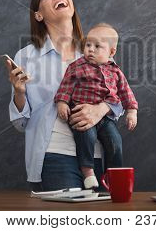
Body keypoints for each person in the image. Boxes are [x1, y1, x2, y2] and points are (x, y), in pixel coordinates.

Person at [5, 0, 123, 192]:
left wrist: (100, 110)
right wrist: (19, 92)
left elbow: (118, 101)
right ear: (38, 15)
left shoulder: (98, 49)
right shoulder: (26, 57)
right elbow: (20, 123)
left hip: (96, 155)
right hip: (54, 156)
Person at [55, 23, 138, 189]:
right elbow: (65, 87)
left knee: (115, 141)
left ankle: (114, 174)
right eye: (88, 45)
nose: (90, 49)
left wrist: (132, 112)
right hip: (80, 111)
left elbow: (125, 93)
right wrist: (62, 102)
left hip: (105, 119)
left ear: (111, 52)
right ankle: (88, 172)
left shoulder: (115, 72)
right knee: (86, 136)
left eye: (97, 46)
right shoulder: (77, 66)